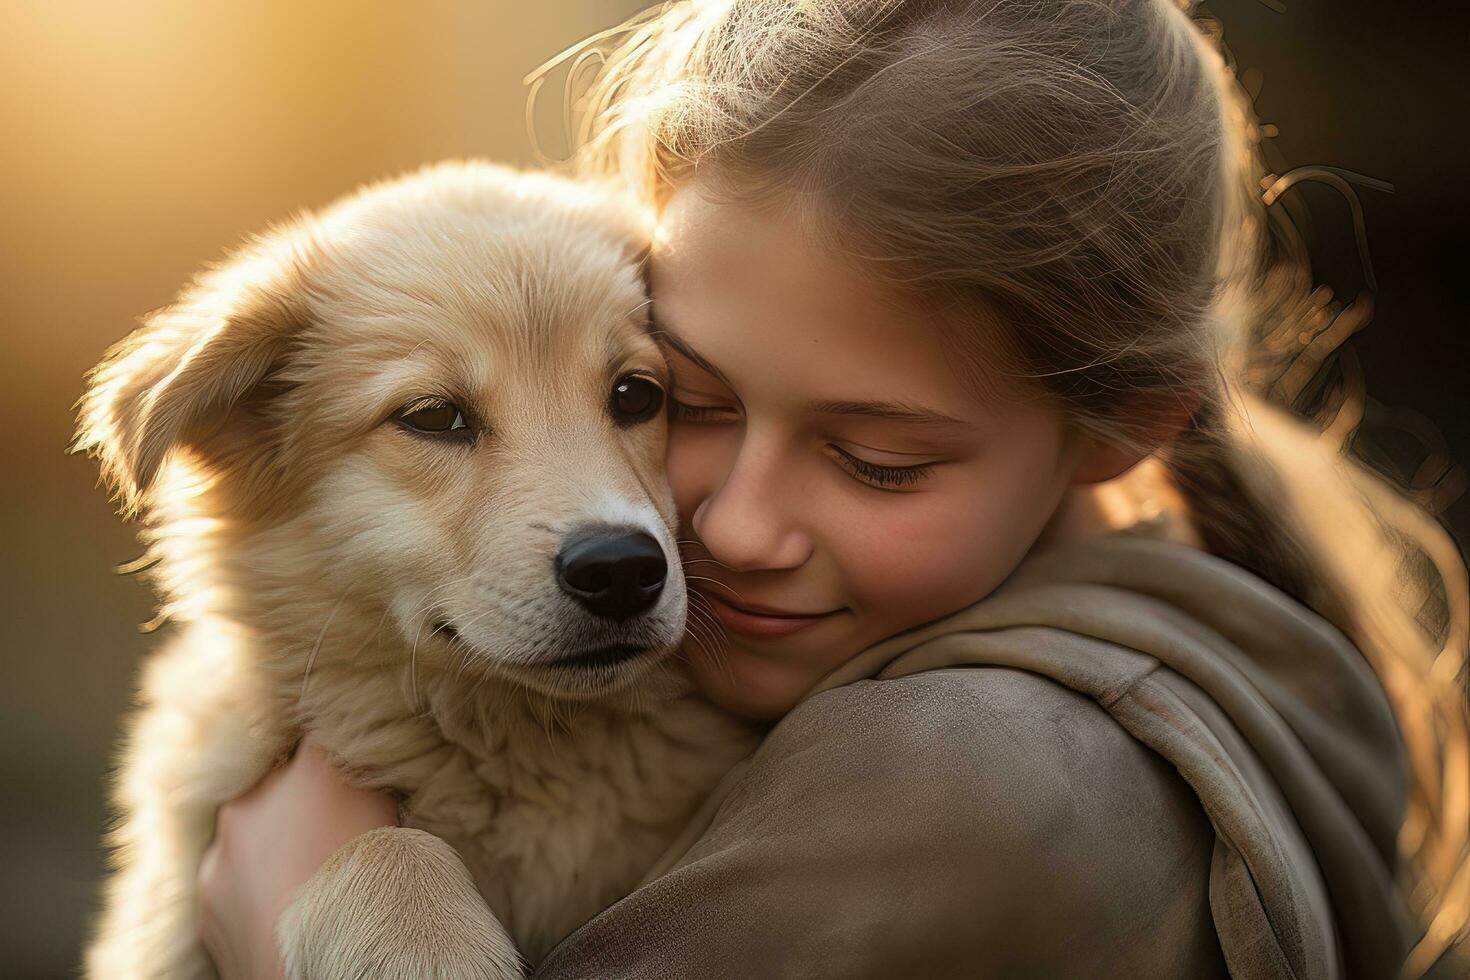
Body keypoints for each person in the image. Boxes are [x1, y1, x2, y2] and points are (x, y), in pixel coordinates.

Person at [196, 0, 1470, 976]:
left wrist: (289, 918)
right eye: (690, 399)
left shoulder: (941, 782)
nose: (724, 530)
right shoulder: (1240, 643)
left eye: (879, 459)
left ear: (1122, 431)